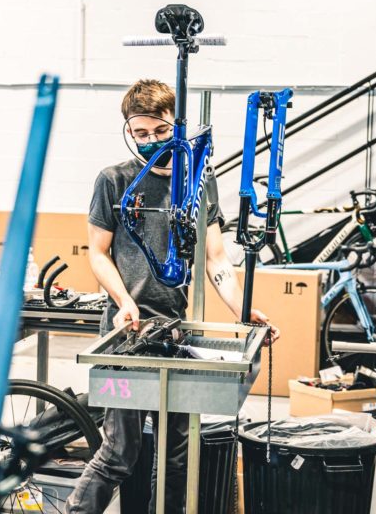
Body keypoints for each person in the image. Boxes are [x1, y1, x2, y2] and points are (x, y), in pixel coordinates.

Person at [66, 79, 279, 514]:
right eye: (141, 133)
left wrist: (242, 310)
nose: (151, 141)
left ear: (176, 126)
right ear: (129, 131)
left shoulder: (200, 182)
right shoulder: (114, 181)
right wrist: (124, 301)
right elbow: (98, 253)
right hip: (126, 337)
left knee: (177, 458)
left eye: (161, 131)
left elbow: (215, 258)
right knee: (119, 453)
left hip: (175, 336)